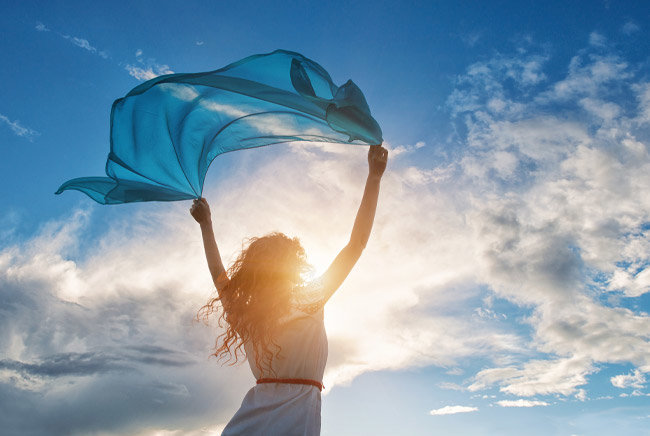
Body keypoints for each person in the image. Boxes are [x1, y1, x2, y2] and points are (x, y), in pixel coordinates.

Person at [190, 145, 388, 435]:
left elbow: (219, 277)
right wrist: (373, 178)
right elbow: (355, 246)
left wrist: (206, 225)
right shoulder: (309, 298)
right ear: (291, 267)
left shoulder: (248, 317)